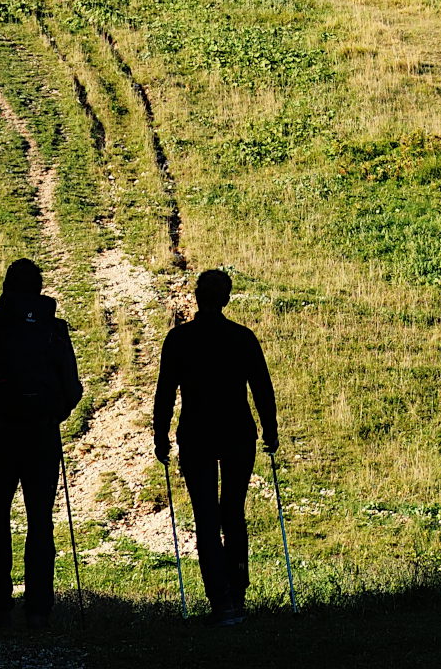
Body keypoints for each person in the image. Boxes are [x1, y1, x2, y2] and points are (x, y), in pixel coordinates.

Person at [0, 258, 83, 629]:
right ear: (39, 289)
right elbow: (73, 387)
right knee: (40, 521)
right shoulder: (53, 329)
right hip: (41, 434)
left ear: (7, 288)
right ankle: (39, 609)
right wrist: (53, 415)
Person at [153, 267, 278, 627]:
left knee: (207, 518)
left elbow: (165, 393)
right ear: (226, 299)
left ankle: (220, 602)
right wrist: (270, 430)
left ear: (196, 297)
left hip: (197, 435)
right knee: (233, 514)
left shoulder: (179, 340)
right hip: (238, 433)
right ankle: (238, 593)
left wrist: (160, 435)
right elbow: (262, 388)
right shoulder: (242, 338)